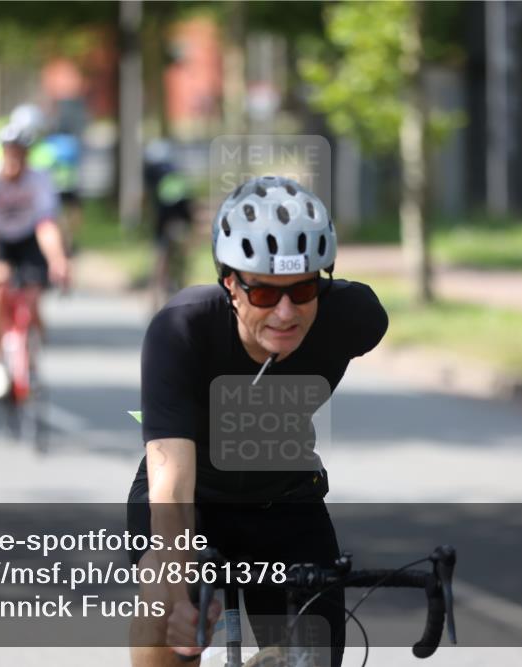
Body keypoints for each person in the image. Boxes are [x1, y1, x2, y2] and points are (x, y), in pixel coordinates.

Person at [127, 175, 388, 667]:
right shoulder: (182, 329)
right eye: (265, 294)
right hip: (194, 497)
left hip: (285, 497)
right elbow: (173, 486)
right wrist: (177, 586)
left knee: (311, 656)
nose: (286, 312)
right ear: (230, 282)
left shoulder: (356, 318)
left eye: (304, 288)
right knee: (165, 600)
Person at [0, 110, 70, 397]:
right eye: (10, 153)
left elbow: (47, 226)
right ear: (2, 152)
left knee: (33, 294)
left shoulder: (39, 180)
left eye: (21, 154)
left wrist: (58, 260)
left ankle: (30, 359)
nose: (15, 160)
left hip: (27, 237)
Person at [143, 139, 193, 310]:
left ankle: (155, 299)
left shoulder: (151, 173)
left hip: (163, 222)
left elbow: (150, 200)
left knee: (160, 262)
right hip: (181, 222)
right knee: (182, 259)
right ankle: (182, 294)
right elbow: (186, 202)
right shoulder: (176, 173)